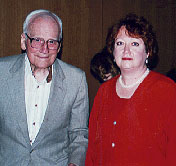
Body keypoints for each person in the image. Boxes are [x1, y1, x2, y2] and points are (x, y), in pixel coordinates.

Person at [0, 9, 89, 166]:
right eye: (37, 40)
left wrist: (74, 163)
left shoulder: (76, 79)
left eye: (52, 42)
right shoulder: (2, 73)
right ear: (23, 41)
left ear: (59, 46)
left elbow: (79, 135)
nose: (44, 49)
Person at [85, 13, 176, 166]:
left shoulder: (167, 91)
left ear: (147, 52)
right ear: (113, 52)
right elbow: (92, 153)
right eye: (120, 43)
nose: (126, 51)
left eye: (135, 44)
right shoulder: (104, 91)